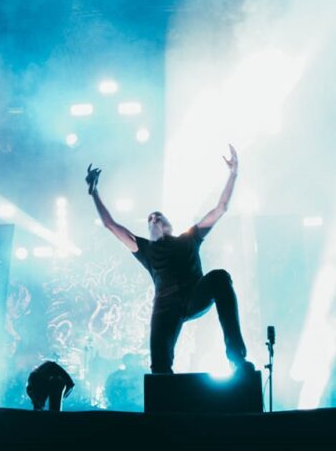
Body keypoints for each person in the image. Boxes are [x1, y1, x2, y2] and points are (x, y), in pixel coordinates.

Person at [87, 144, 254, 375]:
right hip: (166, 306)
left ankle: (237, 359)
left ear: (169, 224)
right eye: (150, 219)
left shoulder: (190, 238)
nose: (154, 219)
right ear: (148, 228)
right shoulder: (144, 248)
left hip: (194, 295)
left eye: (158, 216)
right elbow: (110, 224)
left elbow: (221, 208)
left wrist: (233, 173)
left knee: (219, 277)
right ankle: (167, 392)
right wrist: (94, 192)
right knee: (160, 367)